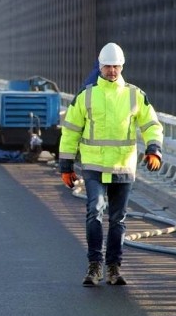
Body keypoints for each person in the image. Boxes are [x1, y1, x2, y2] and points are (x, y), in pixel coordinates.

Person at [58, 42, 164, 286]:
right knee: (95, 212)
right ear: (100, 67)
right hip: (94, 166)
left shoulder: (134, 95)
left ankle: (114, 268)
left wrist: (154, 150)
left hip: (122, 168)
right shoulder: (86, 96)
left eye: (116, 67)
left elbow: (151, 124)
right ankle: (94, 266)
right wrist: (66, 166)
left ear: (122, 66)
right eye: (108, 67)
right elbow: (71, 131)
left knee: (118, 219)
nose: (112, 71)